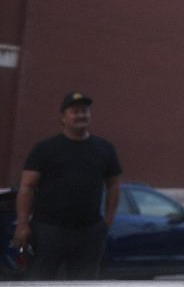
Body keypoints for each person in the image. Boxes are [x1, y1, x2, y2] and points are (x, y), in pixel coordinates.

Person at [14, 92, 122, 279]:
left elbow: (113, 185)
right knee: (40, 280)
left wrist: (108, 220)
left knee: (84, 282)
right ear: (63, 118)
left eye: (85, 111)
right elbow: (27, 187)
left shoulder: (104, 148)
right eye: (75, 111)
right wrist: (22, 224)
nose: (81, 115)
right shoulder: (45, 149)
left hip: (89, 232)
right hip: (48, 231)